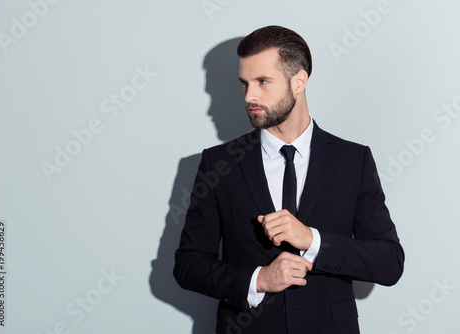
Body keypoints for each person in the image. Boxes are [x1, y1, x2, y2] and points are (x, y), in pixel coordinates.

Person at [174, 25, 405, 334]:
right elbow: (188, 265)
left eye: (262, 82)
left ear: (299, 81)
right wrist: (259, 280)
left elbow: (388, 262)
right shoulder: (219, 163)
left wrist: (312, 240)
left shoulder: (353, 160)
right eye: (244, 83)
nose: (249, 96)